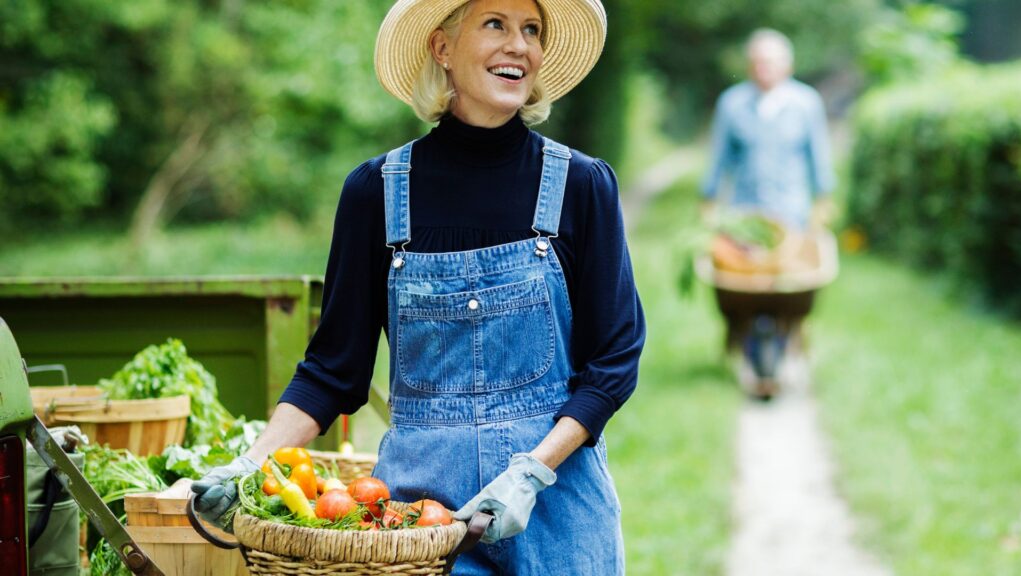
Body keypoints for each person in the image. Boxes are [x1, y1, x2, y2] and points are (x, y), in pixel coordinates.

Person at [191, 0, 645, 574]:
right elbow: (333, 370)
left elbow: (614, 362)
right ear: (442, 48)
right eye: (496, 25)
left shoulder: (582, 185)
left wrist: (532, 471)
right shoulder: (375, 193)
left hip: (556, 506)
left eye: (532, 30)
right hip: (421, 514)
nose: (519, 46)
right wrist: (251, 464)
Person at [702, 28, 836, 392]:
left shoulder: (805, 103)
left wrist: (823, 201)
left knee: (786, 286)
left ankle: (791, 331)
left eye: (772, 61)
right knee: (747, 285)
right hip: (745, 216)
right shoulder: (733, 104)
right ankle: (742, 335)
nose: (765, 68)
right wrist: (709, 202)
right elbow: (720, 158)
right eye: (759, 61)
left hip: (791, 214)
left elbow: (818, 157)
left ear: (788, 65)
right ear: (749, 66)